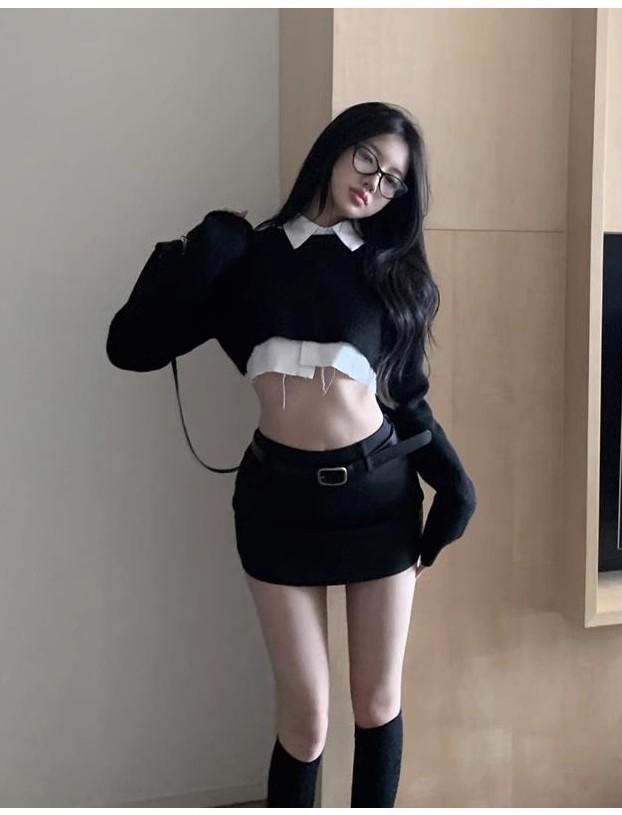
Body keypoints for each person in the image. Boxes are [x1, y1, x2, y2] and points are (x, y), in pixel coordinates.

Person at [106, 101, 477, 807]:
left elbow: (407, 399)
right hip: (277, 506)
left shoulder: (392, 273)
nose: (373, 182)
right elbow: (131, 346)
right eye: (366, 158)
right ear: (335, 148)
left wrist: (455, 484)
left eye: (393, 179)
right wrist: (199, 249)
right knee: (305, 721)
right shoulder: (248, 259)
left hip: (379, 502)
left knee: (377, 702)